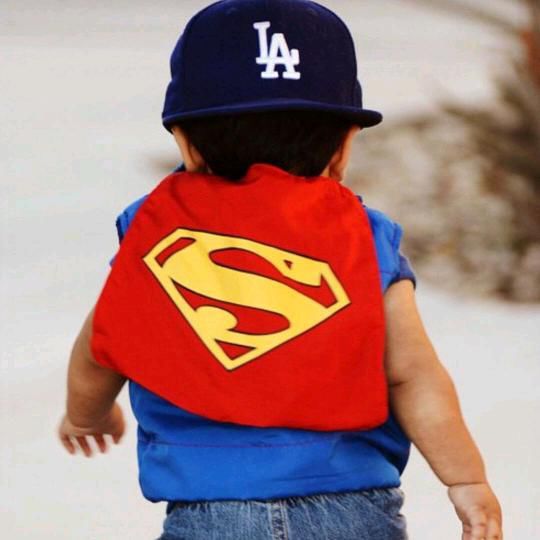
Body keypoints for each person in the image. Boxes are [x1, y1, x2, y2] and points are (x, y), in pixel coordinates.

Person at [57, 1, 503, 539]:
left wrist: (86, 414)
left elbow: (102, 343)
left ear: (186, 143)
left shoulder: (154, 234)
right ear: (343, 146)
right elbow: (413, 373)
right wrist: (465, 479)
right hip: (351, 509)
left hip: (209, 514)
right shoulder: (364, 238)